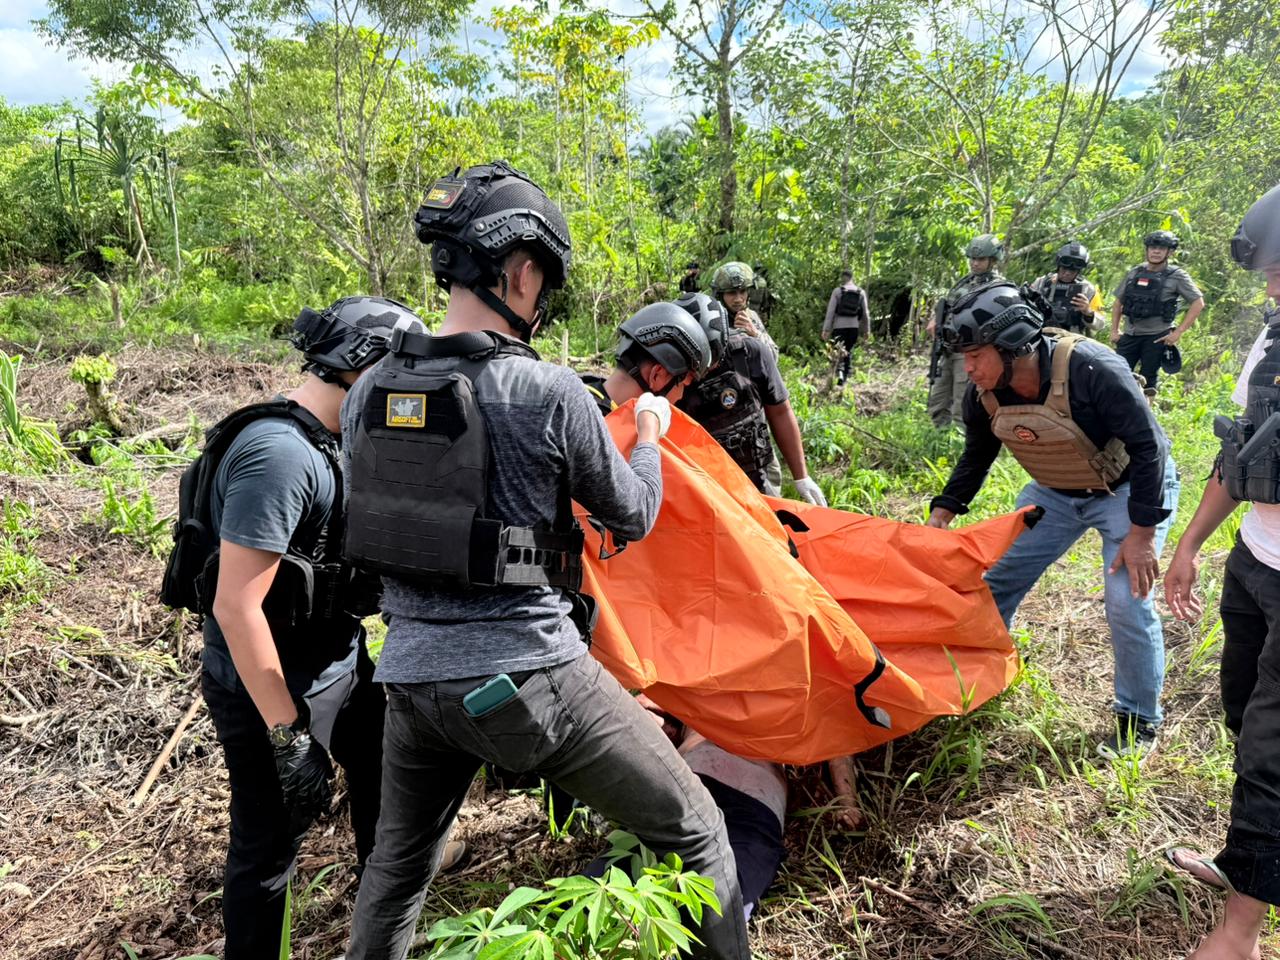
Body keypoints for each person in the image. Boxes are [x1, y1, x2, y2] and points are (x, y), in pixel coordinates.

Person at [342, 161, 750, 960]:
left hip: (410, 681)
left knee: (395, 871)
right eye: (543, 280)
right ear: (521, 271)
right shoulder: (548, 389)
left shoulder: (369, 389)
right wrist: (653, 436)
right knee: (699, 832)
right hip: (529, 675)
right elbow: (629, 515)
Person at [180, 297, 465, 958]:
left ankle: (380, 930)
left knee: (386, 783)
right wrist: (288, 738)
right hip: (265, 683)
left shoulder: (335, 440)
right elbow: (236, 607)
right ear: (362, 365)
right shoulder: (280, 456)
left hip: (335, 658)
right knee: (269, 843)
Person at [925, 282, 1180, 759]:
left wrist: (1142, 535)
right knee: (994, 581)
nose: (971, 368)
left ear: (1011, 344)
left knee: (1128, 601)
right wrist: (944, 510)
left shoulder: (1091, 368)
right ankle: (980, 678)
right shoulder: (984, 394)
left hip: (1127, 490)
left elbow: (1151, 449)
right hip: (1055, 493)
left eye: (977, 355)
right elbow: (977, 456)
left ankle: (1138, 720)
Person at [1163, 184, 1280, 960]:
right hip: (1256, 560)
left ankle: (1239, 932)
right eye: (1269, 269)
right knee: (1242, 718)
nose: (1272, 283)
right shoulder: (1269, 339)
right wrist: (1192, 543)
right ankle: (1249, 864)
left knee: (1274, 748)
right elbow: (1239, 450)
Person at [676, 291, 827, 505]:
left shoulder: (751, 352)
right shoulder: (672, 372)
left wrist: (802, 477)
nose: (707, 366)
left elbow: (780, 411)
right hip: (706, 486)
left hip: (758, 473)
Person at [1110, 230, 1205, 394]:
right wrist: (1114, 330)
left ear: (1170, 252)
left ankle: (1145, 415)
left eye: (1161, 248)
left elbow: (1198, 302)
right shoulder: (1135, 272)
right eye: (1153, 247)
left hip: (1156, 337)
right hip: (1130, 334)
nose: (1156, 251)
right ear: (1147, 249)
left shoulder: (1177, 276)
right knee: (1116, 375)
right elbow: (1119, 302)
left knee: (1148, 380)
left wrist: (1178, 332)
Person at [927, 234, 1005, 428]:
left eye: (980, 259)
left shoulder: (998, 287)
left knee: (962, 402)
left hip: (972, 351)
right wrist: (936, 320)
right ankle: (937, 439)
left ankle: (960, 445)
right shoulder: (964, 283)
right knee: (938, 397)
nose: (975, 263)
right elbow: (947, 307)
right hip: (948, 347)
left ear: (993, 261)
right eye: (972, 259)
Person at [581, 301, 712, 415]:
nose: (681, 396)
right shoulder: (600, 429)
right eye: (683, 385)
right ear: (657, 375)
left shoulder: (581, 398)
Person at [1030, 241, 1105, 335]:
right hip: (1040, 334)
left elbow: (1101, 324)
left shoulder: (1088, 290)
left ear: (1079, 271)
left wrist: (1088, 312)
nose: (1067, 273)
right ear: (1058, 266)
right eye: (1064, 269)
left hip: (1072, 338)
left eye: (1073, 270)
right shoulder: (1041, 283)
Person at [712, 261, 778, 357]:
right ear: (720, 295)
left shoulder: (751, 316)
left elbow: (773, 356)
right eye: (731, 293)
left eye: (742, 291)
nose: (738, 299)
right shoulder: (712, 320)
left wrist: (755, 333)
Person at [822, 269, 869, 386]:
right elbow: (865, 314)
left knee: (838, 351)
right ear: (852, 278)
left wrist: (826, 329)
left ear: (842, 278)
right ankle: (844, 378)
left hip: (839, 327)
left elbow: (830, 312)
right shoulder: (861, 292)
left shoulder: (837, 291)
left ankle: (840, 374)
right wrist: (866, 330)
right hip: (853, 327)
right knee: (848, 351)